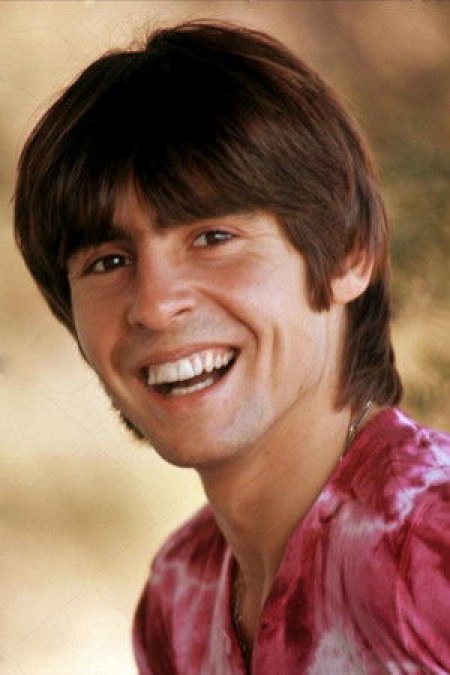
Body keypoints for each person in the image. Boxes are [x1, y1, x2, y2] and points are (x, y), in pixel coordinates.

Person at [14, 20, 450, 675]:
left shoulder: (431, 543)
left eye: (213, 238)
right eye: (108, 261)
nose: (154, 304)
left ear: (349, 255)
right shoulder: (179, 594)